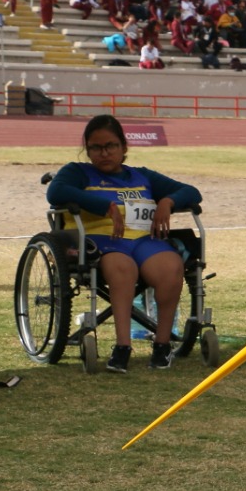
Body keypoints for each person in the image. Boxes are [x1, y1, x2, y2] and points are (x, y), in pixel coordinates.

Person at [46, 115, 202, 372]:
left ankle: (162, 345)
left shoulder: (142, 176)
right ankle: (122, 346)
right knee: (122, 268)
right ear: (87, 150)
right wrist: (104, 205)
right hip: (102, 241)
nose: (104, 153)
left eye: (111, 146)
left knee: (170, 267)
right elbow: (55, 192)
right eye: (95, 148)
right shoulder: (77, 172)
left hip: (144, 241)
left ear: (123, 147)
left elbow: (192, 191)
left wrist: (167, 202)